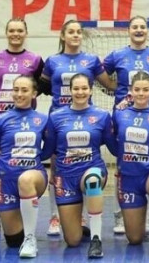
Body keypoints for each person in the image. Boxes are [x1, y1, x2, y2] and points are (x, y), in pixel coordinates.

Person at [103, 15, 149, 235]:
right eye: (135, 27)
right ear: (128, 30)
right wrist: (114, 88)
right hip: (125, 116)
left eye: (142, 27)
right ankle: (120, 213)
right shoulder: (117, 55)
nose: (138, 30)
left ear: (147, 31)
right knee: (123, 160)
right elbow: (99, 75)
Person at [40, 19, 115, 237]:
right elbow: (40, 87)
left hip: (85, 119)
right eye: (71, 32)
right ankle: (55, 216)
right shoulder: (52, 61)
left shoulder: (91, 60)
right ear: (63, 36)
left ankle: (81, 215)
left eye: (78, 32)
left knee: (85, 162)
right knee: (57, 168)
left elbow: (109, 85)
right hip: (59, 121)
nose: (75, 35)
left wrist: (133, 87)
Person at [0, 18, 44, 236]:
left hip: (25, 123)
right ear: (6, 33)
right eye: (11, 30)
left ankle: (22, 212)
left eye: (19, 30)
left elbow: (42, 86)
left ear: (26, 33)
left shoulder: (35, 60)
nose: (15, 34)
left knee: (24, 166)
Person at [0, 76, 51, 258]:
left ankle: (30, 238)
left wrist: (35, 160)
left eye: (24, 90)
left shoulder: (43, 120)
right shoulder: (0, 120)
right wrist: (4, 168)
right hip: (6, 182)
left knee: (25, 179)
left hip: (34, 177)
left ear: (34, 93)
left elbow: (49, 148)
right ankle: (24, 227)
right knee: (13, 241)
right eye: (16, 90)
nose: (19, 94)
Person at [106, 71, 149, 257]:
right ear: (131, 91)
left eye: (145, 90)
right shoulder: (120, 114)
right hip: (128, 177)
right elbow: (114, 141)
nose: (141, 93)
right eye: (137, 89)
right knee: (134, 238)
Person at [47, 73, 113, 258]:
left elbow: (114, 148)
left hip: (93, 169)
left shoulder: (102, 116)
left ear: (91, 90)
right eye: (76, 88)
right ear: (70, 91)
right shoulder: (56, 117)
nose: (80, 92)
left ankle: (96, 239)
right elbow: (49, 150)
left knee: (92, 181)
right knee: (72, 240)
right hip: (66, 176)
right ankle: (80, 227)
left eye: (84, 88)